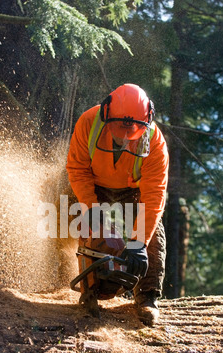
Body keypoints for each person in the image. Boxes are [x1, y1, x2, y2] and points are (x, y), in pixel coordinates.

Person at [66, 84, 169, 327]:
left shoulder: (155, 143)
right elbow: (77, 168)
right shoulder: (88, 123)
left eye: (131, 130)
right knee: (87, 225)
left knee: (152, 237)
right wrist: (90, 208)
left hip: (133, 189)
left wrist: (139, 243)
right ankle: (89, 291)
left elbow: (154, 195)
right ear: (106, 114)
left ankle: (148, 296)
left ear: (146, 121)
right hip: (94, 183)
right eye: (118, 128)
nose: (124, 136)